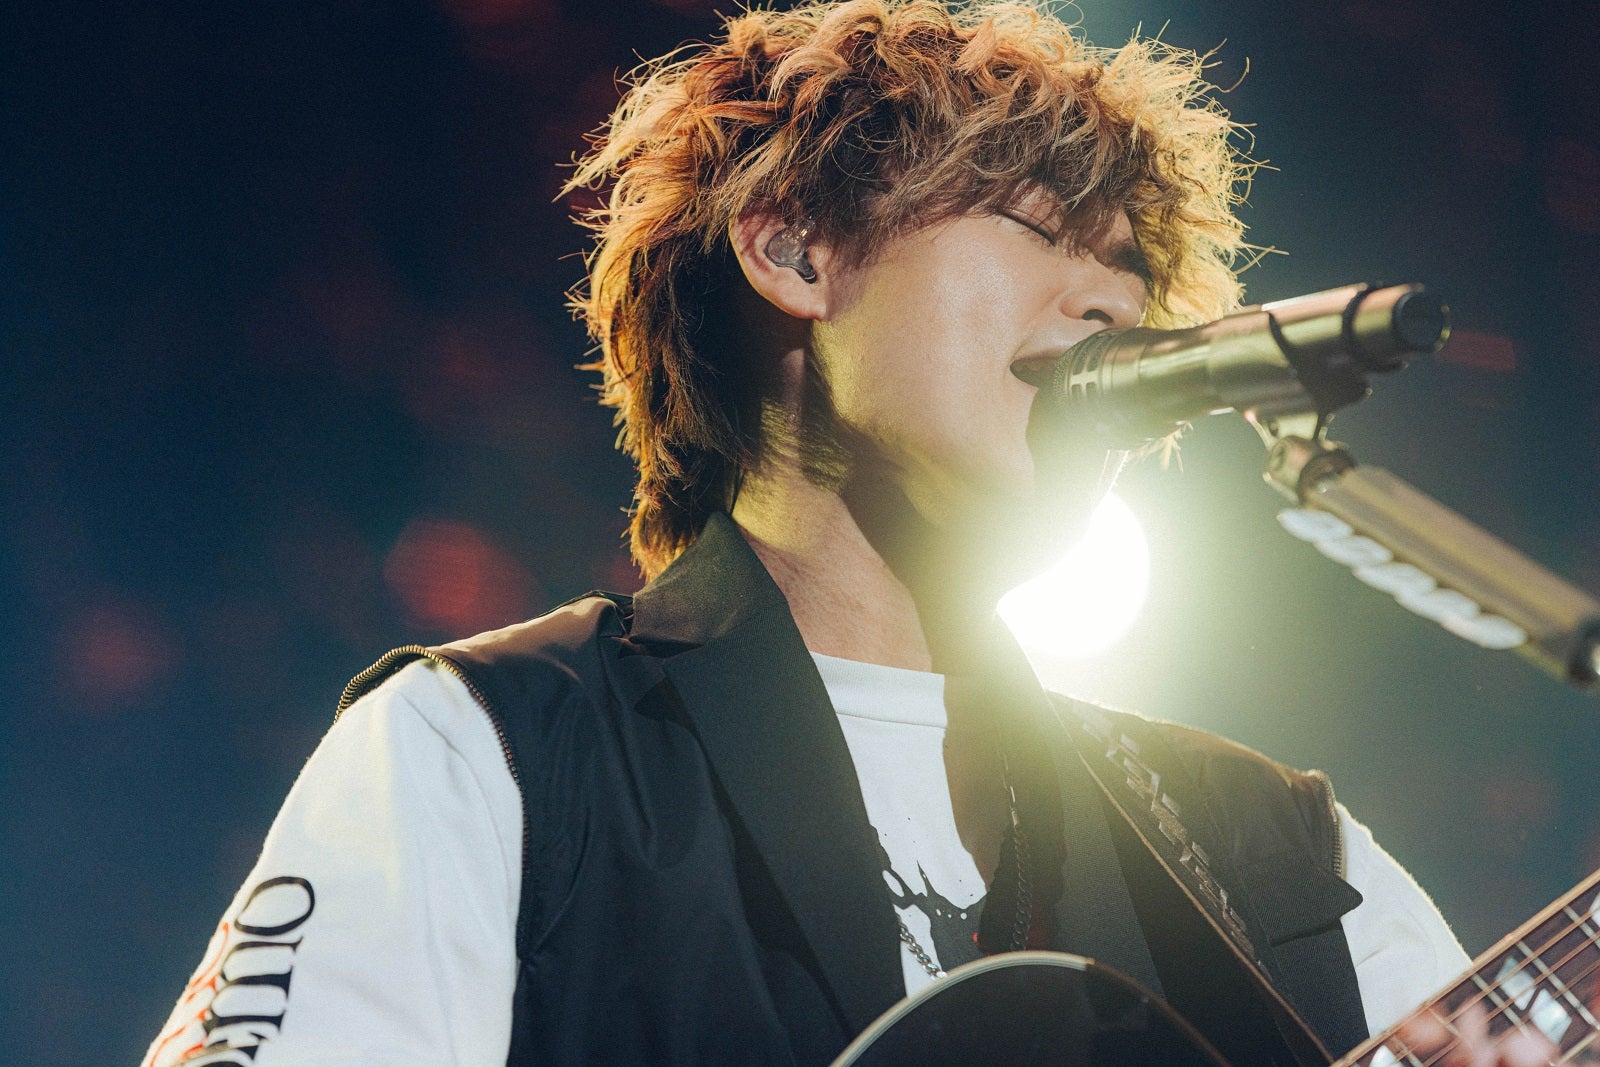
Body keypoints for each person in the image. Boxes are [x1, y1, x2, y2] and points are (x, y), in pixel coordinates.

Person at [143, 2, 1557, 1064]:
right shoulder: (490, 749)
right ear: (795, 249)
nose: (1112, 306)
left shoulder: (1276, 857)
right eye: (1039, 228)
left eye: (1129, 274)